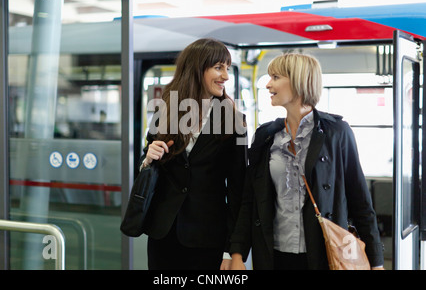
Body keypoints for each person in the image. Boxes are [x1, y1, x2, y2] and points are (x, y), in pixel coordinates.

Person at [229, 53, 384, 270]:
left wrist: (376, 262)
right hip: (273, 255)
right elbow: (250, 200)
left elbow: (360, 201)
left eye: (275, 77)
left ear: (298, 80)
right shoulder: (266, 136)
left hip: (324, 253)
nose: (268, 84)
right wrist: (237, 253)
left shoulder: (337, 132)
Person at [140, 38, 247, 270]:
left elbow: (238, 189)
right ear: (197, 69)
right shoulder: (165, 111)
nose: (226, 76)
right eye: (218, 67)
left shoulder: (233, 120)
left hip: (208, 240)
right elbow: (146, 164)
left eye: (227, 68)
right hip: (163, 235)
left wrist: (233, 250)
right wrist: (148, 158)